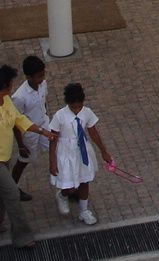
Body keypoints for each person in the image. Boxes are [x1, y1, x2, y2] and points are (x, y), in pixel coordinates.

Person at [0, 64, 56, 249]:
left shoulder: (6, 101)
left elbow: (20, 120)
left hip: (4, 157)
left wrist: (43, 132)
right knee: (12, 193)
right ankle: (23, 236)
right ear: (5, 86)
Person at [48, 82, 113, 226]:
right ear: (68, 103)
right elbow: (53, 140)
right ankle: (63, 195)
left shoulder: (87, 112)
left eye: (79, 106)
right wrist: (52, 161)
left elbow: (93, 133)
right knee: (70, 185)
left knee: (84, 180)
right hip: (65, 153)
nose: (77, 109)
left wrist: (104, 151)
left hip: (82, 152)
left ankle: (84, 211)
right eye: (74, 107)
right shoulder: (59, 116)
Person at [10, 55, 49, 201]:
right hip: (29, 132)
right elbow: (15, 122)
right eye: (39, 76)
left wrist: (45, 116)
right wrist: (20, 145)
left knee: (57, 148)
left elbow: (43, 102)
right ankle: (12, 188)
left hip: (44, 124)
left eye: (43, 74)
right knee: (23, 160)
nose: (42, 79)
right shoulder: (19, 97)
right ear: (28, 77)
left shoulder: (43, 84)